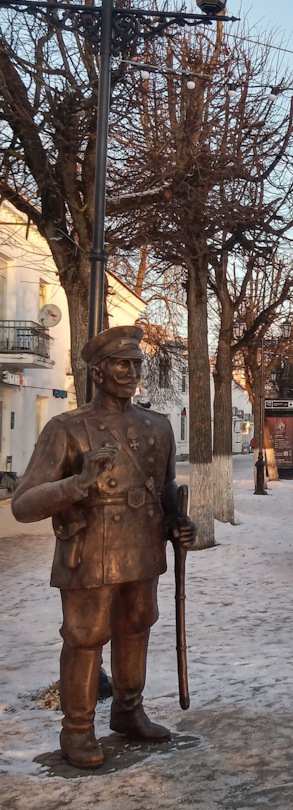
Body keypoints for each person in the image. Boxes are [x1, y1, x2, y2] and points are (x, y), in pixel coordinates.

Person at [12, 326, 197, 769]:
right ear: (99, 372)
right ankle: (76, 729)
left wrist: (179, 520)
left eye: (136, 364)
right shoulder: (67, 429)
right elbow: (23, 504)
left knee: (137, 624)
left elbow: (165, 486)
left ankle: (128, 711)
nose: (131, 373)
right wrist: (77, 483)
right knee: (85, 636)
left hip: (142, 544)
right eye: (121, 364)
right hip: (90, 550)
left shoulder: (157, 426)